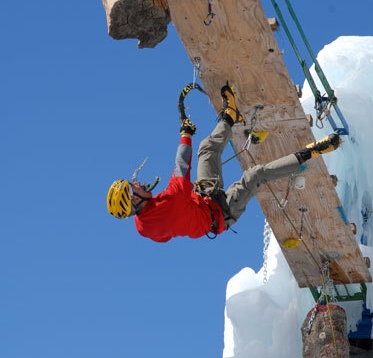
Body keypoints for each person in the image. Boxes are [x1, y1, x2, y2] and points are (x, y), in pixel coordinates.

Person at [106, 83, 341, 242]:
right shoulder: (168, 204)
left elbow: (164, 229)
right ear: (134, 200)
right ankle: (310, 153)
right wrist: (185, 133)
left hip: (204, 198)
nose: (137, 183)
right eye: (132, 187)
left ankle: (231, 115)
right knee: (254, 175)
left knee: (207, 150)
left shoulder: (142, 225)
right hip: (223, 212)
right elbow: (181, 166)